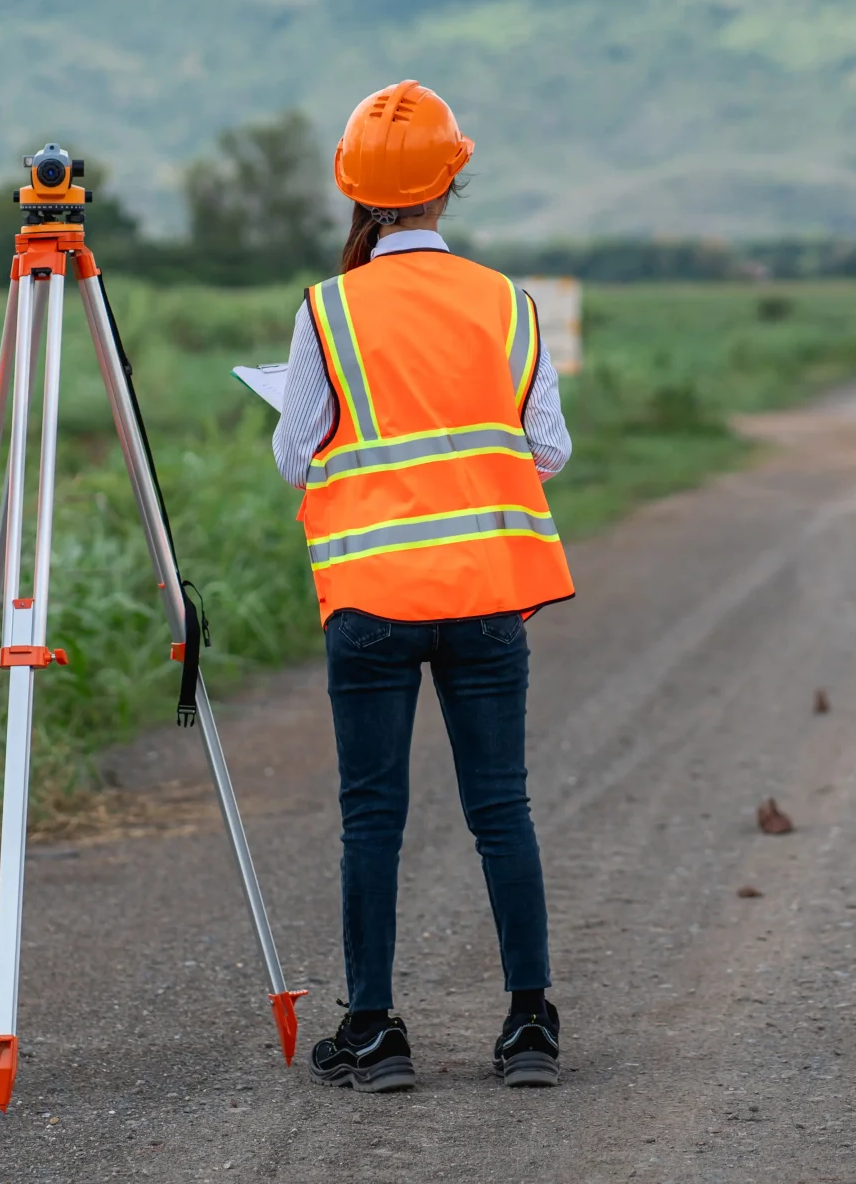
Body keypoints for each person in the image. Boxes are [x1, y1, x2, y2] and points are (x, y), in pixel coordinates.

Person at [272, 79, 575, 1093]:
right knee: (502, 809)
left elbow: (292, 456)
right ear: (453, 182)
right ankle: (529, 1022)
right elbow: (550, 451)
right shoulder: (508, 304)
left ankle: (373, 1029)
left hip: (371, 605)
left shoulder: (328, 310)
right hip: (488, 596)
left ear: (353, 191)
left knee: (372, 817)